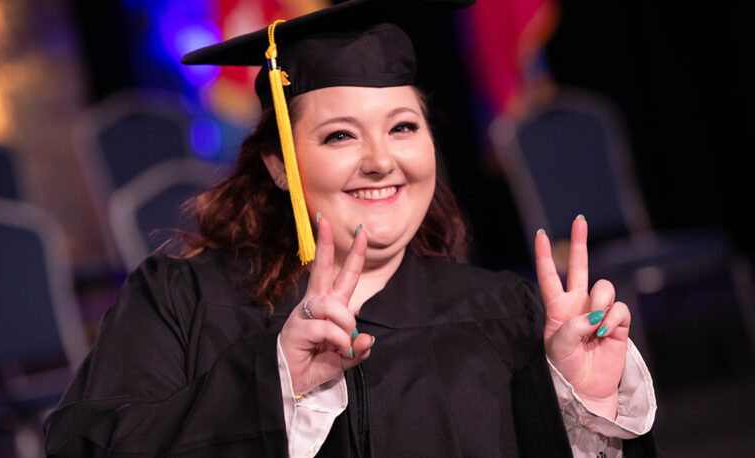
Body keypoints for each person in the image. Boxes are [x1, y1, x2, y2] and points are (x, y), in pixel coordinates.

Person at [44, 1, 656, 456]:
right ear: (279, 164)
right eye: (340, 135)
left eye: (403, 127)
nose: (381, 160)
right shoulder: (179, 303)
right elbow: (85, 446)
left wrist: (588, 411)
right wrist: (273, 382)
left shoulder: (506, 313)